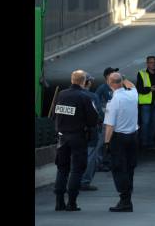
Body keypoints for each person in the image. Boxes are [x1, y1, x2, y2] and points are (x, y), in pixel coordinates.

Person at [52, 70, 98, 211]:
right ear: (84, 81)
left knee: (62, 169)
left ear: (72, 80)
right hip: (78, 137)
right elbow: (93, 120)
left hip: (62, 137)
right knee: (77, 170)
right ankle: (72, 202)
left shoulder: (61, 94)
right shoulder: (84, 97)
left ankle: (59, 202)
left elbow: (54, 114)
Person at [103, 73, 139, 212]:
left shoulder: (113, 102)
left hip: (119, 139)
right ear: (121, 82)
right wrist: (123, 77)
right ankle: (127, 197)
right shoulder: (133, 94)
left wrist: (106, 143)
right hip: (133, 137)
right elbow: (132, 85)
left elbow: (110, 126)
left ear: (109, 83)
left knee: (119, 169)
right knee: (130, 168)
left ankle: (125, 200)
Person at [136, 56, 155, 149]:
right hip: (146, 103)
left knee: (154, 123)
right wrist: (150, 89)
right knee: (145, 123)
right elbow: (139, 89)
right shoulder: (142, 73)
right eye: (151, 62)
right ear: (147, 63)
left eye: (154, 62)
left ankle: (151, 142)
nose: (153, 64)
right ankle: (144, 143)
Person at [79, 74, 104, 191]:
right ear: (87, 83)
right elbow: (99, 115)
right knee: (90, 156)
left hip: (73, 131)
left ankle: (73, 180)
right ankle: (85, 181)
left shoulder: (65, 94)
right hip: (90, 132)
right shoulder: (93, 96)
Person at [94, 67, 119, 172]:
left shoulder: (117, 87)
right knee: (103, 143)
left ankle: (109, 162)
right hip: (106, 122)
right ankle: (100, 163)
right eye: (113, 73)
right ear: (107, 76)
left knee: (113, 143)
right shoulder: (102, 88)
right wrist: (103, 111)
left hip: (116, 121)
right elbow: (95, 102)